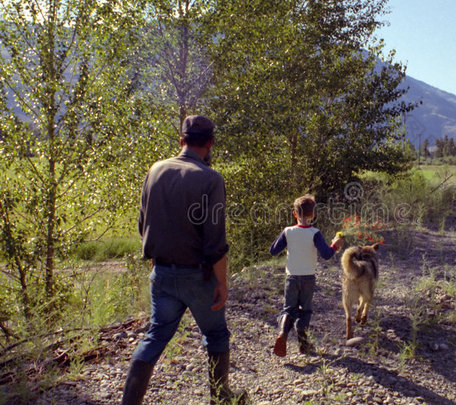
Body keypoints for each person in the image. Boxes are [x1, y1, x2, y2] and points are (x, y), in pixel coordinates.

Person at [121, 115, 247, 405]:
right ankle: (221, 398)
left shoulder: (155, 170)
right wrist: (222, 283)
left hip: (162, 272)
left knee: (155, 336)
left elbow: (144, 224)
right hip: (199, 276)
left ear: (181, 141)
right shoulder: (211, 179)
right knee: (216, 334)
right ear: (210, 144)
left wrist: (157, 262)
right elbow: (215, 239)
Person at [269, 195, 345, 356]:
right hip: (308, 278)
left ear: (294, 213)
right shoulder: (315, 233)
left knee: (288, 309)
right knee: (305, 310)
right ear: (314, 214)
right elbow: (326, 254)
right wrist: (335, 245)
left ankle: (282, 333)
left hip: (292, 277)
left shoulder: (288, 231)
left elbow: (273, 251)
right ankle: (303, 344)